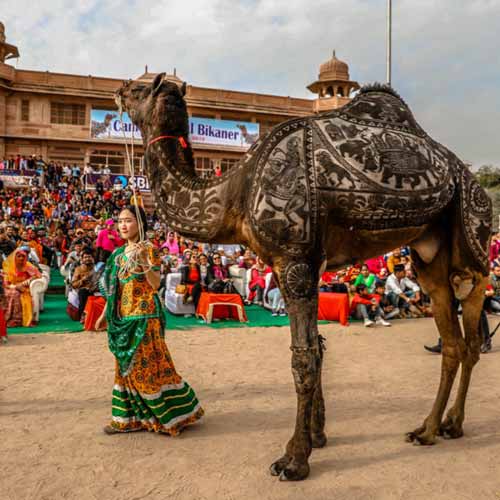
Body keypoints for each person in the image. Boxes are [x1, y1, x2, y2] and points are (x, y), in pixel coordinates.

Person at [95, 205, 203, 435]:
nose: (123, 225)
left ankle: (166, 417)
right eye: (120, 221)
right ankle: (127, 420)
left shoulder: (149, 250)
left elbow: (155, 284)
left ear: (140, 224)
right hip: (122, 317)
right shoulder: (116, 255)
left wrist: (144, 262)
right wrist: (105, 314)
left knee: (146, 366)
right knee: (124, 368)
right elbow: (114, 290)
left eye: (129, 220)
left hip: (145, 316)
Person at [2, 248, 41, 327]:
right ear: (14, 257)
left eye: (23, 256)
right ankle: (8, 319)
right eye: (19, 256)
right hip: (10, 287)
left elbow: (38, 275)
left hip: (24, 288)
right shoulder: (9, 268)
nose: (21, 258)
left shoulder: (28, 266)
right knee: (13, 293)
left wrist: (25, 282)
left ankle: (17, 320)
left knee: (17, 294)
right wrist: (16, 287)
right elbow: (6, 284)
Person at [71, 248, 98, 319]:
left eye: (89, 257)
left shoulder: (97, 268)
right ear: (82, 259)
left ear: (93, 258)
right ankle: (83, 316)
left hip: (96, 290)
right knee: (83, 292)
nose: (87, 259)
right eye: (85, 257)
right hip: (84, 290)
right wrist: (82, 280)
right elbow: (73, 284)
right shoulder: (78, 269)